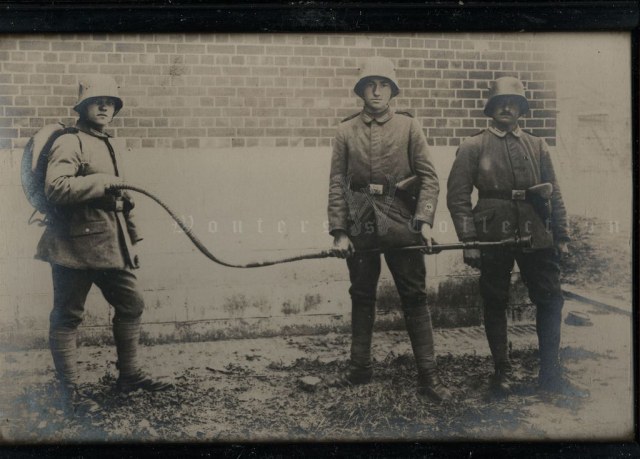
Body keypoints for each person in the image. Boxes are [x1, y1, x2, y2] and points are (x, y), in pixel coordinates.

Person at [35, 75, 172, 415]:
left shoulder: (109, 144)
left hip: (110, 244)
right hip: (72, 246)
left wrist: (132, 238)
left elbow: (121, 198)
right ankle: (70, 394)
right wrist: (101, 181)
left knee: (132, 303)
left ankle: (130, 375)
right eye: (97, 102)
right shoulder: (70, 141)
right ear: (82, 107)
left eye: (110, 103)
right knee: (67, 316)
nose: (104, 107)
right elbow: (56, 187)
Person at [446, 76, 588, 398]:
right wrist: (469, 240)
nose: (507, 107)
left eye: (514, 103)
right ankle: (502, 373)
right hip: (491, 232)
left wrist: (561, 233)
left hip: (535, 229)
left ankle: (550, 376)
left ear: (522, 109)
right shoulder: (473, 146)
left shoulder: (537, 146)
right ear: (490, 107)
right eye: (500, 102)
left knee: (550, 298)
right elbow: (457, 197)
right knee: (495, 299)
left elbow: (555, 192)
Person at [327, 57, 450, 402]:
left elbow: (429, 179)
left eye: (383, 84)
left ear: (393, 90)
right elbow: (337, 183)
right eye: (370, 84)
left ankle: (429, 376)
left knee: (414, 295)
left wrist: (423, 222)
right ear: (361, 90)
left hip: (401, 220)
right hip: (360, 221)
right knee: (361, 294)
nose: (377, 91)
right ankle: (359, 368)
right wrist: (340, 231)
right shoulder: (345, 131)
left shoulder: (409, 127)